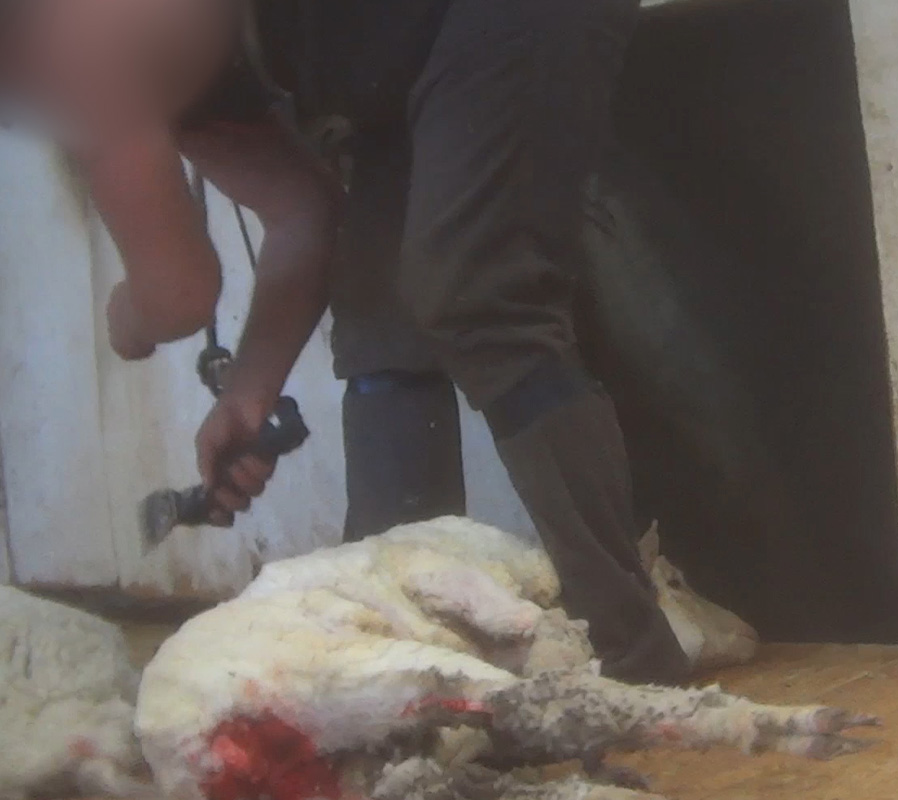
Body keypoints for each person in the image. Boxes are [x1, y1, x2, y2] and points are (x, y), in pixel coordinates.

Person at [0, 0, 691, 685]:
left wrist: (126, 320)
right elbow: (303, 215)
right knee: (378, 307)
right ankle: (407, 659)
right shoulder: (143, 64)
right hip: (410, 58)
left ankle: (634, 655)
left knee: (478, 291)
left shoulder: (67, 42)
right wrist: (248, 394)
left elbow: (177, 296)